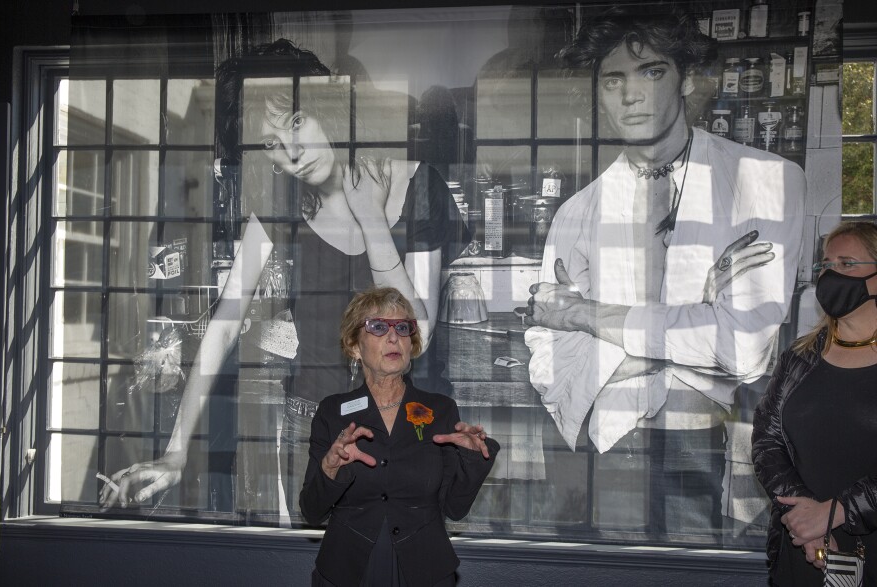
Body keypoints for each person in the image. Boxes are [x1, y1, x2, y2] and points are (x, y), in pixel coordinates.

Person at [100, 40, 470, 516]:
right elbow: (225, 325)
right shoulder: (282, 208)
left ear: (325, 111)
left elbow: (417, 332)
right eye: (271, 144)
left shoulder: (417, 185)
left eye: (297, 123)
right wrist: (175, 451)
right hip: (313, 432)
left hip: (410, 431)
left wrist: (373, 223)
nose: (292, 152)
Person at [523, 7, 805, 536]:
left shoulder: (764, 181)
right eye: (613, 80)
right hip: (602, 436)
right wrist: (697, 316)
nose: (630, 95)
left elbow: (742, 350)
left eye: (651, 71)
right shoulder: (578, 212)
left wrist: (584, 315)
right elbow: (546, 353)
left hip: (707, 437)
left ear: (687, 81)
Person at [300, 287, 498, 587]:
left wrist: (471, 458)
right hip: (347, 569)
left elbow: (455, 509)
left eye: (402, 328)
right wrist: (329, 468)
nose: (393, 337)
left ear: (411, 343)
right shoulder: (333, 412)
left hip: (423, 568)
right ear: (355, 346)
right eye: (378, 327)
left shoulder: (441, 410)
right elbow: (312, 512)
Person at [752, 221, 877, 586]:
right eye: (826, 264)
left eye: (847, 263)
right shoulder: (799, 357)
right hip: (802, 547)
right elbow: (766, 442)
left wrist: (835, 513)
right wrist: (807, 518)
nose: (830, 274)